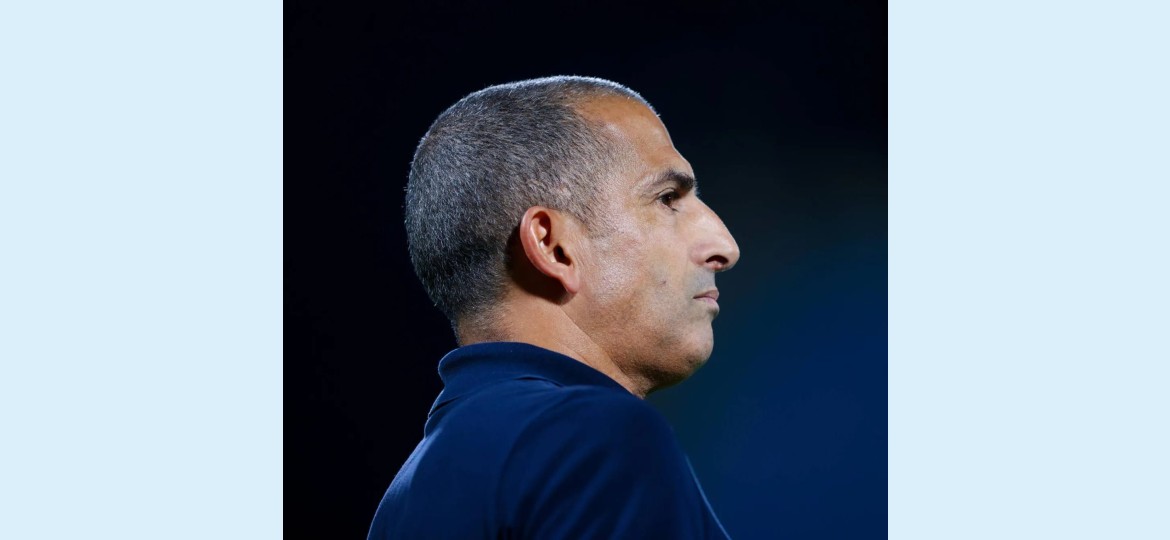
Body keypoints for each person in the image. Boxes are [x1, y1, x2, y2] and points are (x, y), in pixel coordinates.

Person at [367, 75, 741, 539]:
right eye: (667, 199)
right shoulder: (595, 439)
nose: (725, 247)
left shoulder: (406, 496)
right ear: (553, 247)